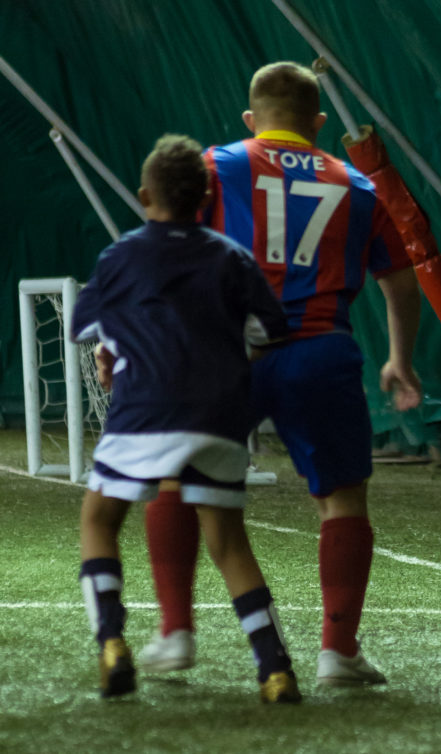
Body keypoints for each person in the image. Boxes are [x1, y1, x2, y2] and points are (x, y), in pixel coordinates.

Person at [137, 62, 422, 686]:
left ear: (250, 118)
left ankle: (175, 635)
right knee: (341, 498)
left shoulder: (217, 166)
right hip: (322, 349)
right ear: (318, 123)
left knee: (174, 481)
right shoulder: (358, 185)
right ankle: (337, 653)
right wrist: (399, 356)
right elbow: (400, 278)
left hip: (227, 350)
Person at [73, 134, 300, 702]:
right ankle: (275, 670)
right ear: (205, 198)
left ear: (144, 194)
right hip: (220, 416)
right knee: (228, 543)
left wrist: (114, 348)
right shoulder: (230, 255)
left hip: (142, 410)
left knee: (100, 520)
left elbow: (86, 328)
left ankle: (111, 643)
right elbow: (271, 332)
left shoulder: (119, 256)